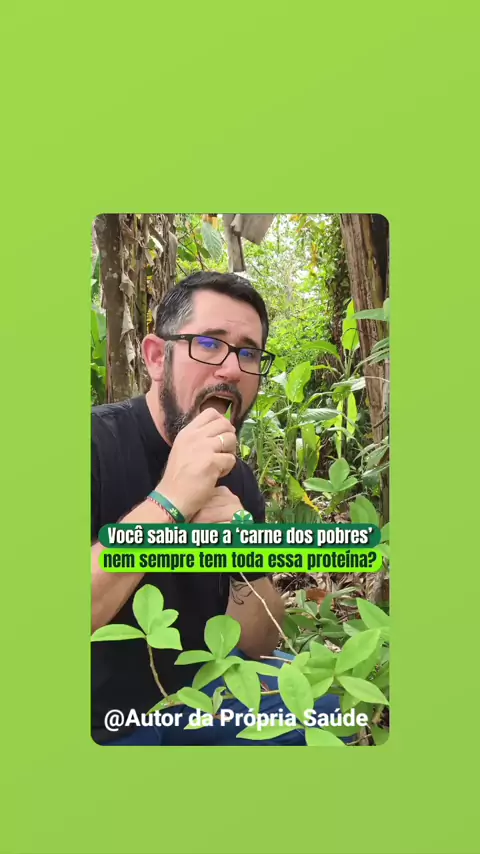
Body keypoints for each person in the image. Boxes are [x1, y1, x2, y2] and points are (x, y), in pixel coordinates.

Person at [91, 271, 343, 746]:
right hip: (102, 726)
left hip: (203, 696)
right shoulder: (94, 446)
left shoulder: (237, 480)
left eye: (249, 353)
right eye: (209, 344)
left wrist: (239, 557)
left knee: (334, 710)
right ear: (157, 358)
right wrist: (170, 502)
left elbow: (260, 643)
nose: (230, 369)